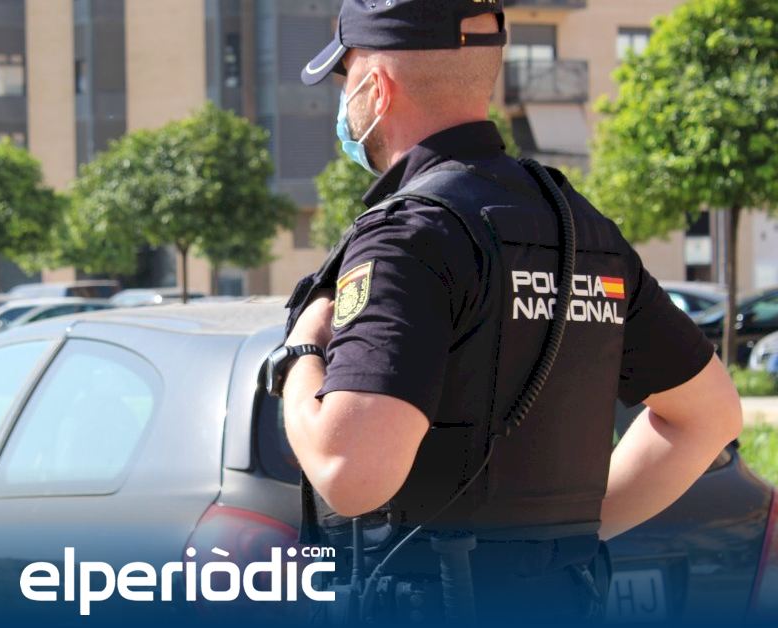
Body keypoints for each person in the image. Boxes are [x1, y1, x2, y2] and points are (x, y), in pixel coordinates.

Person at [267, 0, 743, 622]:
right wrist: (558, 547)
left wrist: (301, 352)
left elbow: (350, 472)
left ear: (376, 88)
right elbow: (708, 416)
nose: (342, 101)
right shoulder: (581, 227)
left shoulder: (408, 237)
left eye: (345, 77)